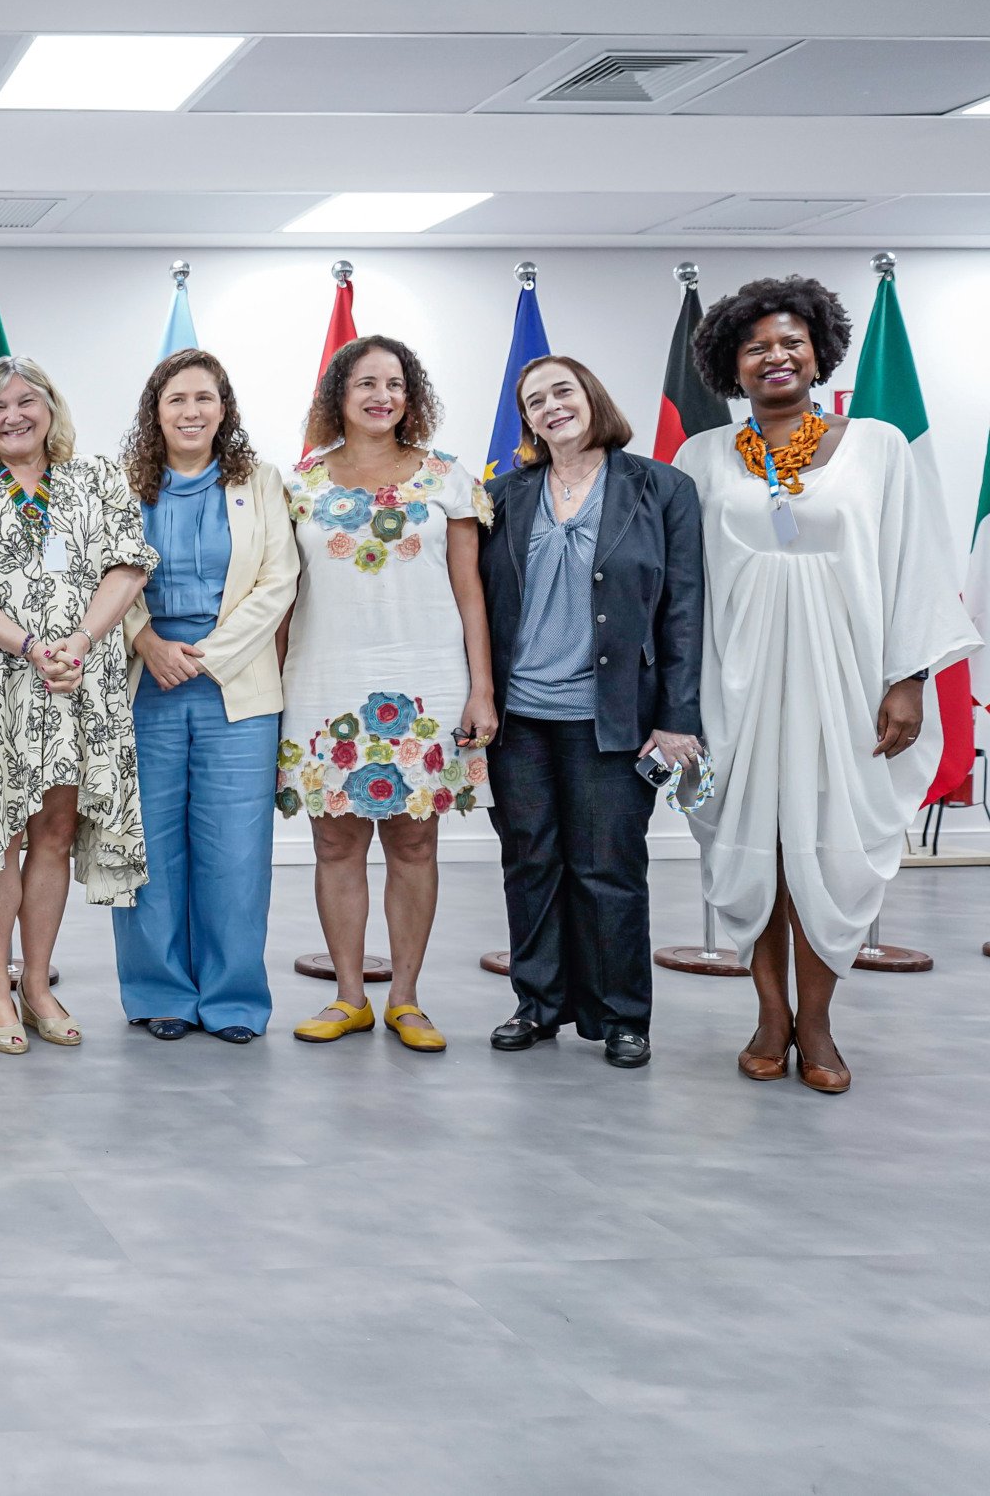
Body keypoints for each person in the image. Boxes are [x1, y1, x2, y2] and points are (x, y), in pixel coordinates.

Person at [674, 277, 977, 1094]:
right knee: (755, 851)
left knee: (830, 851)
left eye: (790, 341)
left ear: (819, 351)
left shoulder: (877, 444)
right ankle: (770, 1016)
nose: (775, 356)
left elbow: (915, 564)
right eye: (755, 346)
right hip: (734, 682)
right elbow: (683, 585)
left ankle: (819, 1022)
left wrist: (907, 680)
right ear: (730, 365)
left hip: (844, 681)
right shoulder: (700, 457)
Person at [0, 357, 156, 1056]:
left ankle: (37, 984)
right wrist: (31, 647)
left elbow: (129, 562)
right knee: (2, 835)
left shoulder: (97, 478)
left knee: (55, 830)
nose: (13, 415)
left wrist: (79, 642)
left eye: (27, 400)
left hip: (80, 683)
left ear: (51, 407)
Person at [480, 356, 704, 1070]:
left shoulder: (662, 488)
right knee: (531, 862)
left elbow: (685, 612)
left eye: (562, 391)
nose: (551, 407)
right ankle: (538, 1003)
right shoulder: (505, 495)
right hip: (520, 718)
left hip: (615, 718)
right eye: (534, 400)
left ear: (591, 397)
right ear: (528, 420)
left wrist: (676, 715)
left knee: (608, 866)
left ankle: (620, 1015)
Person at [278, 336, 496, 1054]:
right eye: (365, 382)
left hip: (428, 683)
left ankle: (405, 997)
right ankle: (348, 996)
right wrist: (273, 697)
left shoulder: (447, 479)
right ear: (337, 394)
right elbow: (282, 600)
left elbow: (472, 593)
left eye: (395, 383)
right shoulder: (299, 483)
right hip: (323, 681)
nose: (381, 394)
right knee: (334, 841)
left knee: (415, 839)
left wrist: (482, 691)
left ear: (412, 396)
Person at [112, 349, 298, 1044]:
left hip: (236, 688)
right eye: (176, 400)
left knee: (235, 851)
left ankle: (233, 999)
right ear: (154, 413)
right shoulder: (124, 486)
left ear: (225, 409)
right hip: (145, 684)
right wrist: (147, 641)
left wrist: (206, 658)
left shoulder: (262, 482)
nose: (191, 411)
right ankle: (159, 991)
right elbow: (104, 578)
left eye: (204, 398)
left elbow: (279, 580)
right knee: (149, 850)